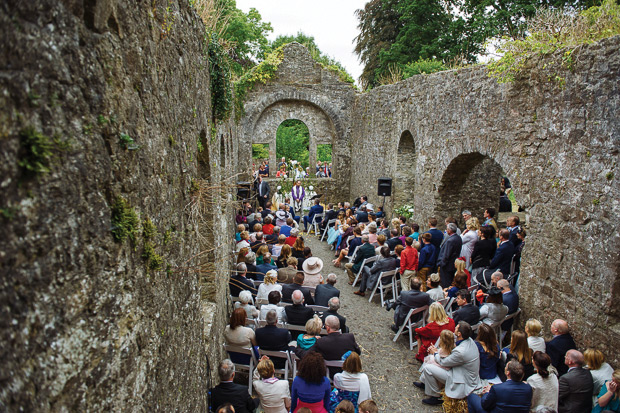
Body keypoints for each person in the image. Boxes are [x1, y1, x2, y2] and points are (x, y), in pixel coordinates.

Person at [416, 321, 481, 406]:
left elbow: (444, 362)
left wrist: (435, 353)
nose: (454, 329)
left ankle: (435, 396)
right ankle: (425, 383)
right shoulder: (468, 340)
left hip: (462, 379)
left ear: (459, 333)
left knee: (429, 367)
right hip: (461, 370)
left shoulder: (461, 351)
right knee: (432, 359)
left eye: (456, 328)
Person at [466, 360, 533, 413]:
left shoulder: (497, 388)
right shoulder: (528, 388)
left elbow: (485, 405)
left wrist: (487, 393)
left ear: (508, 373)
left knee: (472, 396)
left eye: (506, 367)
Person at [437, 223, 463, 288]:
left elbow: (446, 254)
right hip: (453, 264)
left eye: (447, 229)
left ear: (449, 230)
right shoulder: (458, 238)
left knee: (446, 282)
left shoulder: (450, 241)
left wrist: (442, 264)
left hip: (447, 265)